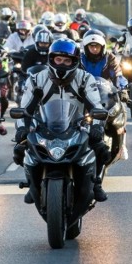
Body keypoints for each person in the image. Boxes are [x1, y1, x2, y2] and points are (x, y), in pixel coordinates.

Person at [15, 38, 111, 202]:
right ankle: (33, 186)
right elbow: (24, 109)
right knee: (20, 149)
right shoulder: (36, 79)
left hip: (78, 125)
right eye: (58, 59)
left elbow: (96, 105)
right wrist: (21, 128)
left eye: (67, 60)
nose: (62, 64)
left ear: (75, 61)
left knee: (101, 148)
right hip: (45, 126)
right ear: (51, 59)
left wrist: (97, 126)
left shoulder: (86, 79)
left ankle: (96, 184)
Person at [80, 29, 128, 94]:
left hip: (105, 94)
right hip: (83, 94)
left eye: (97, 45)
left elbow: (117, 75)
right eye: (91, 46)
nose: (94, 49)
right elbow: (72, 76)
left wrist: (122, 90)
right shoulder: (80, 58)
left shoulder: (109, 58)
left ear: (102, 46)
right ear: (86, 47)